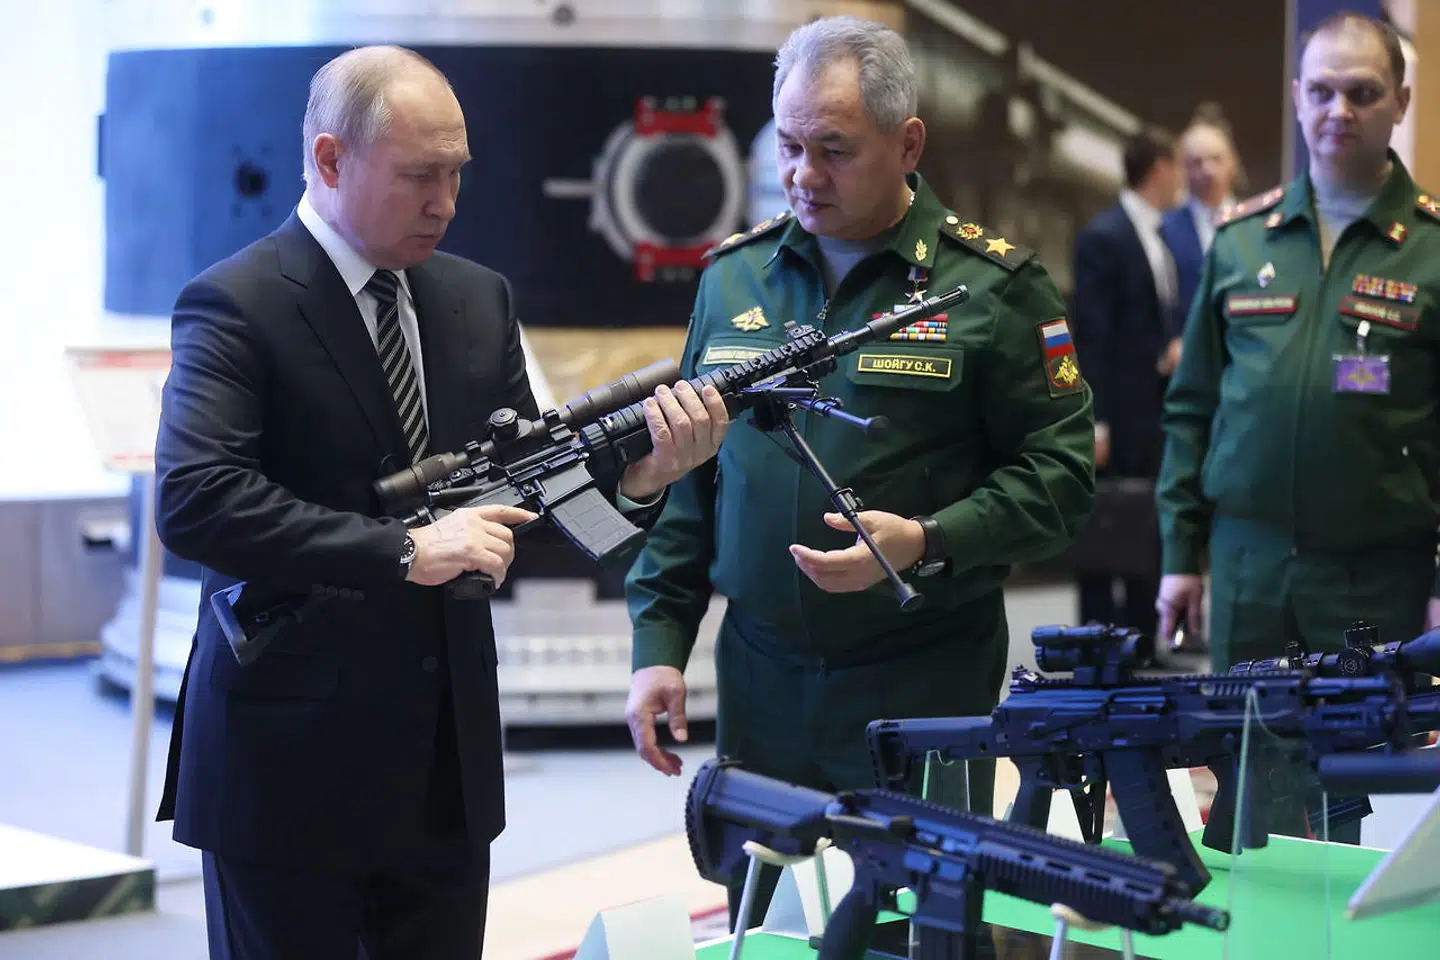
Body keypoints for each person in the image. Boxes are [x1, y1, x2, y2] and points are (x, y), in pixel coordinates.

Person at [152, 45, 727, 960]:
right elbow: (197, 502)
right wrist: (404, 551)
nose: (447, 202)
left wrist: (641, 481)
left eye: (457, 172)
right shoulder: (236, 302)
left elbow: (530, 499)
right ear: (330, 159)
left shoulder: (475, 299)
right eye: (420, 175)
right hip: (287, 766)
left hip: (441, 774)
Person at [622, 15, 1095, 924]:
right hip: (761, 688)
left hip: (920, 687)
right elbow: (694, 482)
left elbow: (1062, 480)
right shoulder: (733, 278)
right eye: (788, 145)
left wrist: (927, 539)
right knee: (766, 926)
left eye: (834, 150)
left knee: (916, 929)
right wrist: (659, 647)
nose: (803, 174)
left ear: (907, 144)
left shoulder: (996, 289)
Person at [1155, 12, 1440, 840]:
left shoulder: (1430, 249)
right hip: (1247, 572)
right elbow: (1192, 408)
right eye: (1321, 91)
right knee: (1251, 805)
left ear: (1401, 102)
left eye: (1363, 92)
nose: (1338, 110)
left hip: (1375, 577)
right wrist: (1180, 555)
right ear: (1296, 96)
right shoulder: (1242, 241)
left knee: (1367, 810)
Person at [1071, 128, 1183, 636]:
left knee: (1143, 526)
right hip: (1115, 412)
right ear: (1160, 168)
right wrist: (1095, 421)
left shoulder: (1159, 235)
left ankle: (1143, 638)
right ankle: (1096, 641)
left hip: (1150, 412)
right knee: (1104, 527)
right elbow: (1092, 337)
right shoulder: (1105, 236)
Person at [1160, 103, 1243, 332]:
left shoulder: (1255, 224)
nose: (1207, 170)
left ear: (1233, 163)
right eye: (1196, 162)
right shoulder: (1164, 228)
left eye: (1216, 159)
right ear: (1183, 169)